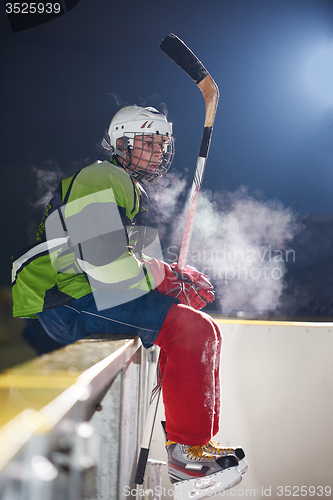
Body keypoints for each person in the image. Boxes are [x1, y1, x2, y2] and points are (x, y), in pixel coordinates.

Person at [12, 105, 246, 494]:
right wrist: (168, 277)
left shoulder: (131, 189)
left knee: (190, 325)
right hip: (65, 296)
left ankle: (191, 446)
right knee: (192, 329)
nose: (158, 151)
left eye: (162, 144)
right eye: (148, 142)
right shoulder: (101, 175)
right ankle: (187, 454)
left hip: (81, 292)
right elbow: (103, 263)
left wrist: (173, 280)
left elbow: (135, 269)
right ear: (121, 143)